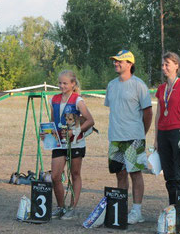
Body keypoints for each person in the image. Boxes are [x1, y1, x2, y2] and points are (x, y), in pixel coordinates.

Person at [105, 50, 152, 224]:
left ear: (130, 64)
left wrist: (141, 133)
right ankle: (121, 208)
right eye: (115, 61)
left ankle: (137, 211)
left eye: (120, 61)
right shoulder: (111, 85)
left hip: (134, 138)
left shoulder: (139, 85)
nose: (116, 64)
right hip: (115, 138)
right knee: (120, 173)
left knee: (135, 173)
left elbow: (148, 112)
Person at [49, 70, 94, 220]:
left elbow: (90, 120)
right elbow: (52, 121)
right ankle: (60, 207)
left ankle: (72, 207)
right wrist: (46, 132)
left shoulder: (77, 100)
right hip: (59, 143)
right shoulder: (54, 99)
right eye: (60, 83)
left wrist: (75, 131)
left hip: (76, 143)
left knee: (75, 174)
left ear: (73, 84)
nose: (62, 85)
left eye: (65, 83)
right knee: (55, 176)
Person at [154, 52, 180, 205]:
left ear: (176, 65)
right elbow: (158, 115)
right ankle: (173, 208)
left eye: (167, 64)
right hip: (163, 134)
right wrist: (156, 139)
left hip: (178, 132)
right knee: (169, 175)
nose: (164, 68)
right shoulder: (161, 88)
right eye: (163, 65)